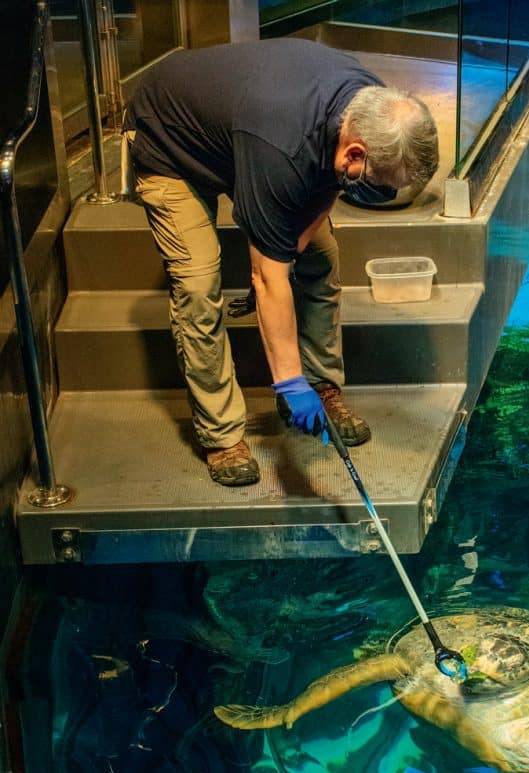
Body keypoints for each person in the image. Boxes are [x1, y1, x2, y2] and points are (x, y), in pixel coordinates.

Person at [123, 38, 439, 486]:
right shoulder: (282, 147)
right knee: (197, 284)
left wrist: (289, 250)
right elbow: (268, 278)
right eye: (378, 184)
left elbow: (332, 186)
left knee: (322, 257)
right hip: (169, 142)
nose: (381, 194)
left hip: (241, 133)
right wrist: (288, 382)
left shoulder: (370, 106)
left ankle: (322, 386)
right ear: (354, 152)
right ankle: (222, 435)